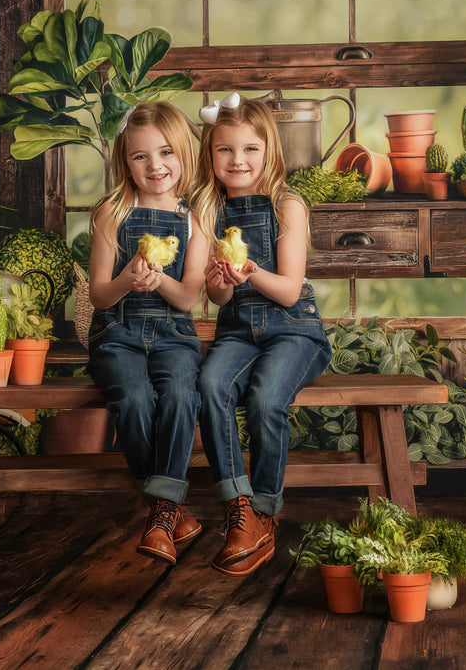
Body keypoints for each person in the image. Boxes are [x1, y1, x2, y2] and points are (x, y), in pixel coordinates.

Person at [193, 94, 332, 576]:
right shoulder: (207, 210)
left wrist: (249, 271)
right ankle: (239, 508)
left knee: (266, 399)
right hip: (238, 330)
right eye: (225, 150)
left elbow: (290, 290)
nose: (238, 160)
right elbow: (218, 299)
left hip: (293, 331)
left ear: (269, 151)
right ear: (211, 154)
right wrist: (221, 281)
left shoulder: (286, 205)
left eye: (250, 149)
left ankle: (266, 509)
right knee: (209, 386)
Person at [87, 101, 212, 564]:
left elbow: (188, 297)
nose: (155, 165)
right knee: (134, 400)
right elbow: (100, 295)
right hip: (117, 332)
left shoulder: (195, 218)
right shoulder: (112, 212)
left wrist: (159, 281)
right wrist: (127, 280)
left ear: (184, 154)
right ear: (126, 162)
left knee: (181, 396)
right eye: (141, 156)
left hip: (173, 333)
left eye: (165, 153)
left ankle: (162, 514)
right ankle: (168, 511)